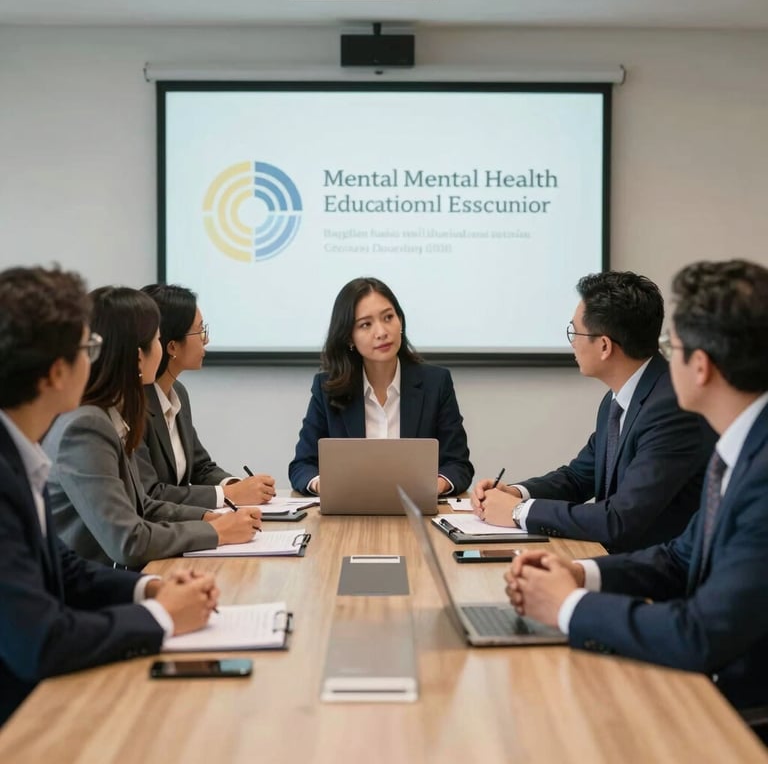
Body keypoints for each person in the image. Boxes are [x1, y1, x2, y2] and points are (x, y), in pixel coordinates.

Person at [505, 259, 768, 716]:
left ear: (701, 366)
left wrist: (569, 606)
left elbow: (700, 635)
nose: (665, 358)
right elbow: (678, 556)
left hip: (733, 700)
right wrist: (580, 575)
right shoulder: (739, 447)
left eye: (673, 345)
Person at [0, 266, 219, 725]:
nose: (95, 358)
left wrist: (151, 588)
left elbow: (63, 568)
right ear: (58, 373)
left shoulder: (20, 451)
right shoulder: (70, 431)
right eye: (88, 347)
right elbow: (42, 640)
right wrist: (162, 617)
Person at [472, 271, 716, 553]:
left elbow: (619, 519)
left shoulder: (670, 407)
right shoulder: (619, 398)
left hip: (655, 576)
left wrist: (519, 512)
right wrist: (515, 493)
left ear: (604, 346)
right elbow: (578, 477)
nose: (573, 342)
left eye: (574, 331)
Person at [44, 286, 262, 568]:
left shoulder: (111, 413)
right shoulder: (85, 427)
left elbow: (143, 506)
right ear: (137, 357)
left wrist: (211, 519)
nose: (162, 347)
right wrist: (217, 531)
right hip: (88, 592)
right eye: (158, 339)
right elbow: (129, 542)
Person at [289, 277, 474, 495]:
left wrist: (435, 485)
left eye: (388, 317)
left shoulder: (436, 383)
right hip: (349, 514)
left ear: (400, 321)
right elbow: (302, 466)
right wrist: (325, 485)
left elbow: (458, 465)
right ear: (349, 337)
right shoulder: (327, 388)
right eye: (366, 324)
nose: (382, 332)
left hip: (417, 512)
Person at [136, 284, 275, 509]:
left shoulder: (178, 392)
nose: (206, 339)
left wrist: (237, 485)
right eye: (200, 330)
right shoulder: (134, 405)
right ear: (172, 346)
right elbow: (149, 493)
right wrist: (228, 494)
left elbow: (201, 467)